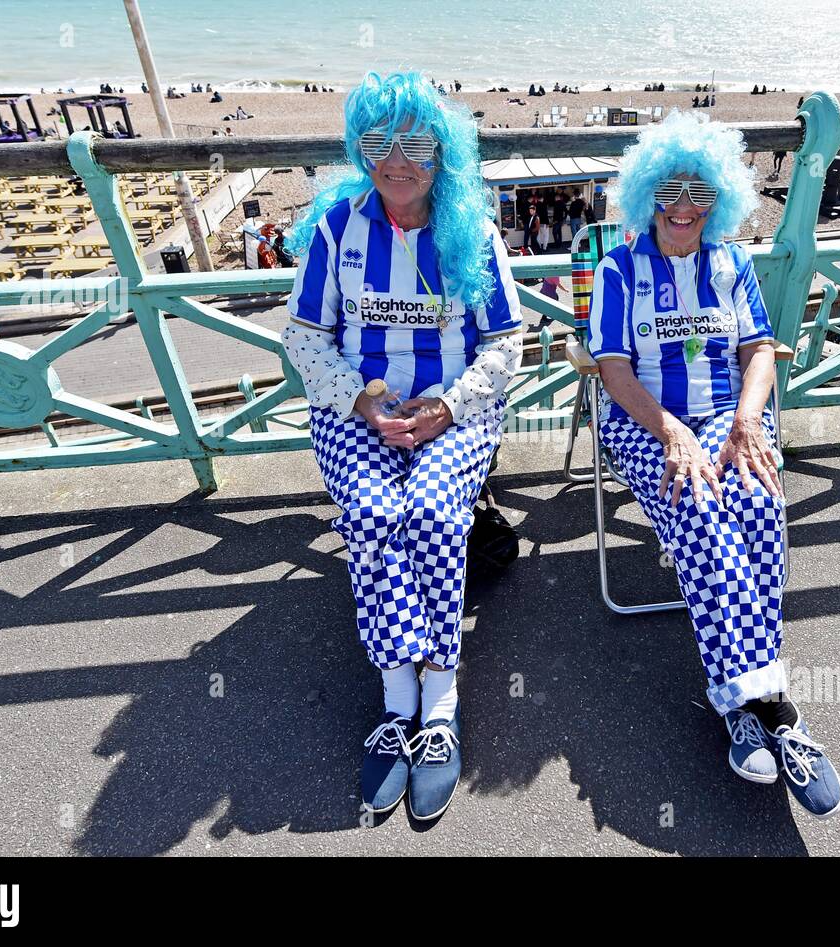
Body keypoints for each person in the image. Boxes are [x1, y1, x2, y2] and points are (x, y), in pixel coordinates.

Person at [280, 71, 523, 822]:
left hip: (454, 412)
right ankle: (398, 702)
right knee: (375, 515)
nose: (397, 158)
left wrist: (447, 407)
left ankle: (439, 706)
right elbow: (303, 334)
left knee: (434, 514)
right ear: (359, 149)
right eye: (378, 141)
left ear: (441, 153)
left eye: (417, 142)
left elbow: (507, 340)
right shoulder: (336, 229)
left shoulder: (473, 235)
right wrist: (359, 395)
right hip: (356, 408)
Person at [586, 112, 840, 817]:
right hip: (649, 425)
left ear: (719, 199)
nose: (682, 207)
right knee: (701, 509)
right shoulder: (618, 270)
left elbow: (759, 348)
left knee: (759, 502)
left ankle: (744, 705)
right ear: (647, 195)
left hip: (726, 419)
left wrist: (745, 418)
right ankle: (775, 710)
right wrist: (672, 431)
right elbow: (610, 368)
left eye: (699, 193)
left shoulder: (732, 265)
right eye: (668, 191)